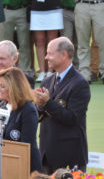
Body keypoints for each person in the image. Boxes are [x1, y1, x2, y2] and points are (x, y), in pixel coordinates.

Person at [34, 37, 90, 173]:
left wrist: (47, 103)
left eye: (50, 53)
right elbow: (40, 115)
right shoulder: (47, 81)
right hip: (46, 154)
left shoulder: (80, 83)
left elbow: (73, 118)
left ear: (64, 54)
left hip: (69, 156)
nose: (46, 57)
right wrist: (39, 106)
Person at [0, 67, 42, 173]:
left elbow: (25, 148)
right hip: (4, 165)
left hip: (26, 168)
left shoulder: (28, 110)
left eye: (2, 86)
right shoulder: (1, 106)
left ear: (14, 88)